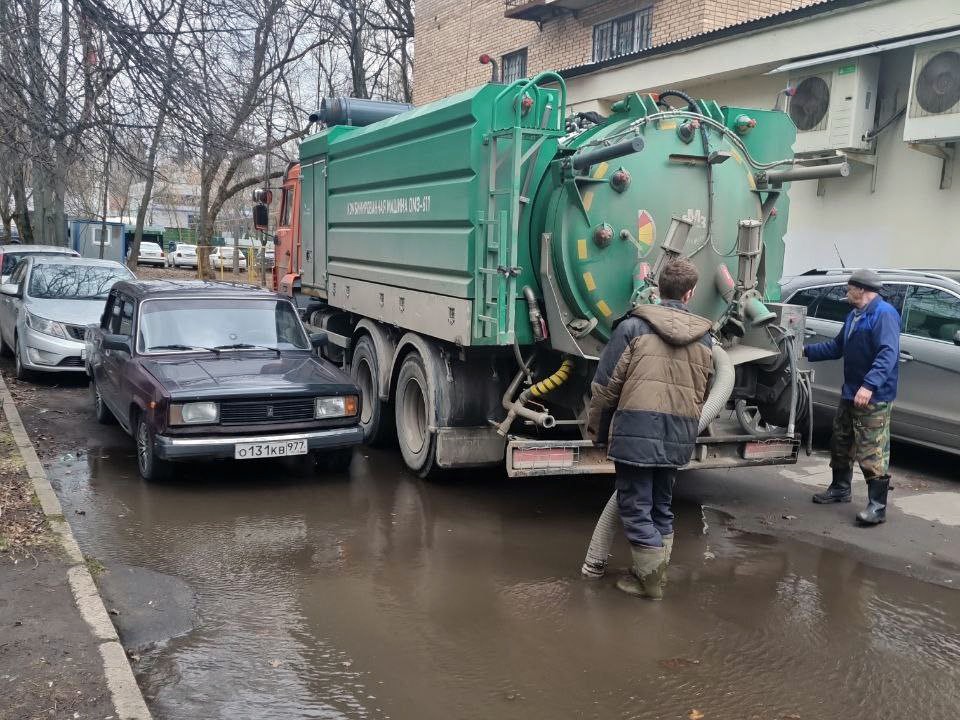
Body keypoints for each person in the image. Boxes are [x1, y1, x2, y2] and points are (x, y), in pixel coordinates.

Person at [587, 259, 713, 600]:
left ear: (657, 289)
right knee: (661, 504)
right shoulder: (706, 339)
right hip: (680, 433)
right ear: (691, 294)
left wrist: (597, 432)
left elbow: (605, 386)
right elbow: (704, 390)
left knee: (634, 505)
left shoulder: (633, 327)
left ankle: (651, 583)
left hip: (636, 431)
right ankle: (653, 572)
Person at [803, 268, 900, 526]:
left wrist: (869, 386)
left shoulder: (884, 315)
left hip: (873, 396)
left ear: (862, 290)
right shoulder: (854, 315)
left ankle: (877, 508)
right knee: (841, 440)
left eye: (849, 288)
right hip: (851, 392)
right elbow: (837, 347)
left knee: (872, 449)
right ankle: (840, 489)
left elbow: (887, 354)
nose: (846, 292)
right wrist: (803, 350)